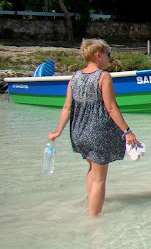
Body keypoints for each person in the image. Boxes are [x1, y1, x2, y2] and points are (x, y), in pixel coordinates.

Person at [46, 38, 138, 216]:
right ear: (98, 55)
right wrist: (127, 131)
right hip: (98, 133)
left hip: (78, 132)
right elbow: (111, 108)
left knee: (92, 169)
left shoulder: (75, 77)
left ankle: (89, 206)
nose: (108, 58)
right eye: (107, 54)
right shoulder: (103, 77)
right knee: (99, 179)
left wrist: (58, 131)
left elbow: (66, 107)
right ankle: (94, 221)